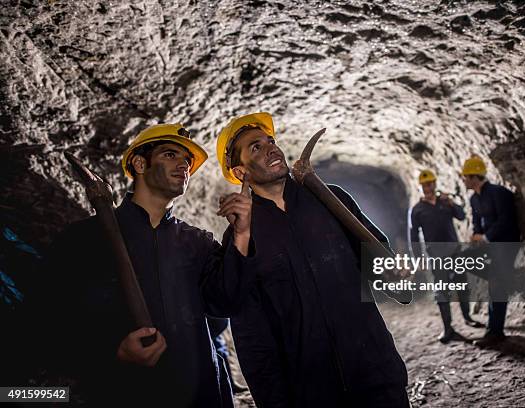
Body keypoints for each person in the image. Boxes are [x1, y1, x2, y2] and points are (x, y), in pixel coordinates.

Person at [43, 123, 256, 407]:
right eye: (171, 155)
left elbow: (227, 303)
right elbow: (46, 323)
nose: (183, 165)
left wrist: (241, 235)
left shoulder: (198, 242)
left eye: (188, 161)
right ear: (140, 163)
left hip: (202, 396)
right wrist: (111, 350)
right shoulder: (84, 240)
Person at [215, 112, 409, 408]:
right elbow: (252, 334)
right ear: (240, 172)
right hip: (310, 393)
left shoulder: (332, 200)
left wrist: (397, 274)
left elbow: (390, 278)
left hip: (376, 375)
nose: (271, 148)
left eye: (271, 141)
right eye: (256, 147)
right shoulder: (242, 236)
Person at [409, 169, 483, 344]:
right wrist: (418, 259)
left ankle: (468, 317)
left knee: (462, 285)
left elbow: (462, 215)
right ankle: (448, 329)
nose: (429, 187)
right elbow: (414, 236)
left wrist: (452, 203)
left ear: (435, 183)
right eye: (425, 184)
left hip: (454, 251)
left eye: (431, 183)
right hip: (435, 255)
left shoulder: (445, 202)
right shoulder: (417, 210)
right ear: (421, 187)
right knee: (442, 291)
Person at [461, 154, 520, 347]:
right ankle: (494, 329)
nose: (464, 180)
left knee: (496, 285)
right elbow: (477, 222)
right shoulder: (474, 199)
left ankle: (495, 332)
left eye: (466, 177)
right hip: (489, 246)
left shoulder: (499, 193)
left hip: (505, 245)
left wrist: (485, 237)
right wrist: (476, 235)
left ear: (474, 177)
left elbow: (506, 220)